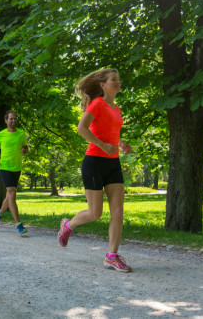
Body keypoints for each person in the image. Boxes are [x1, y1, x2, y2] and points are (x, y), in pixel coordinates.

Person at [57, 68, 133, 272]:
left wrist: (121, 144)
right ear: (102, 85)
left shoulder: (116, 109)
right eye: (113, 80)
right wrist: (101, 145)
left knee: (118, 211)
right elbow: (82, 129)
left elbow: (110, 133)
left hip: (113, 162)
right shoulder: (97, 104)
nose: (118, 83)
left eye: (118, 80)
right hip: (94, 162)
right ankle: (68, 226)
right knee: (95, 213)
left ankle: (111, 256)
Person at [0, 110, 29, 234]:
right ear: (6, 120)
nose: (13, 121)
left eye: (15, 118)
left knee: (9, 195)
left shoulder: (21, 134)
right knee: (12, 192)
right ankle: (18, 224)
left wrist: (25, 150)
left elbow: (25, 147)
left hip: (17, 167)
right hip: (4, 166)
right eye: (11, 119)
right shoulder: (1, 134)